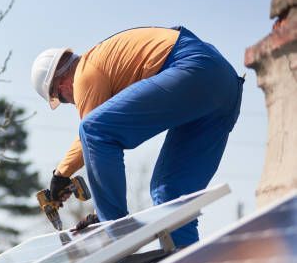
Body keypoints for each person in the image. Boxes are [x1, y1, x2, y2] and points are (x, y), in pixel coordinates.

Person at [31, 26, 244, 246]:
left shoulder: (85, 72)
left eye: (61, 99)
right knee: (171, 197)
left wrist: (61, 175)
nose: (70, 102)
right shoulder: (101, 65)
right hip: (225, 85)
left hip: (192, 66)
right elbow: (93, 138)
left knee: (93, 129)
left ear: (61, 83)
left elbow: (92, 133)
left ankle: (114, 230)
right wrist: (63, 175)